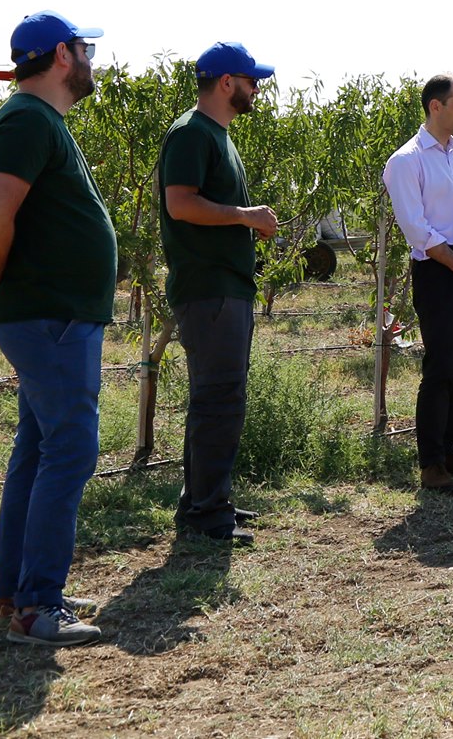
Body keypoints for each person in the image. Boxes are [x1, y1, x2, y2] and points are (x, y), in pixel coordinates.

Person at [0, 12, 113, 646]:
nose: (92, 58)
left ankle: (15, 595)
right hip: (51, 318)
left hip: (54, 316)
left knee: (38, 449)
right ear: (62, 56)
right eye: (85, 48)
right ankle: (36, 606)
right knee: (70, 448)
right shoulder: (26, 119)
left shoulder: (38, 120)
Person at [157, 42, 280, 543]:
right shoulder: (192, 133)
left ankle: (206, 501)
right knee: (218, 400)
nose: (257, 90)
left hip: (225, 286)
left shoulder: (217, 135)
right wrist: (245, 216)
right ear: (226, 82)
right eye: (252, 82)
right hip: (209, 287)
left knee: (219, 398)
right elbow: (181, 204)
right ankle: (207, 512)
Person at [383, 75, 453, 490]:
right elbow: (418, 230)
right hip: (438, 272)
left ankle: (449, 449)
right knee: (441, 366)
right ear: (436, 107)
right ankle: (431, 462)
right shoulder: (406, 161)